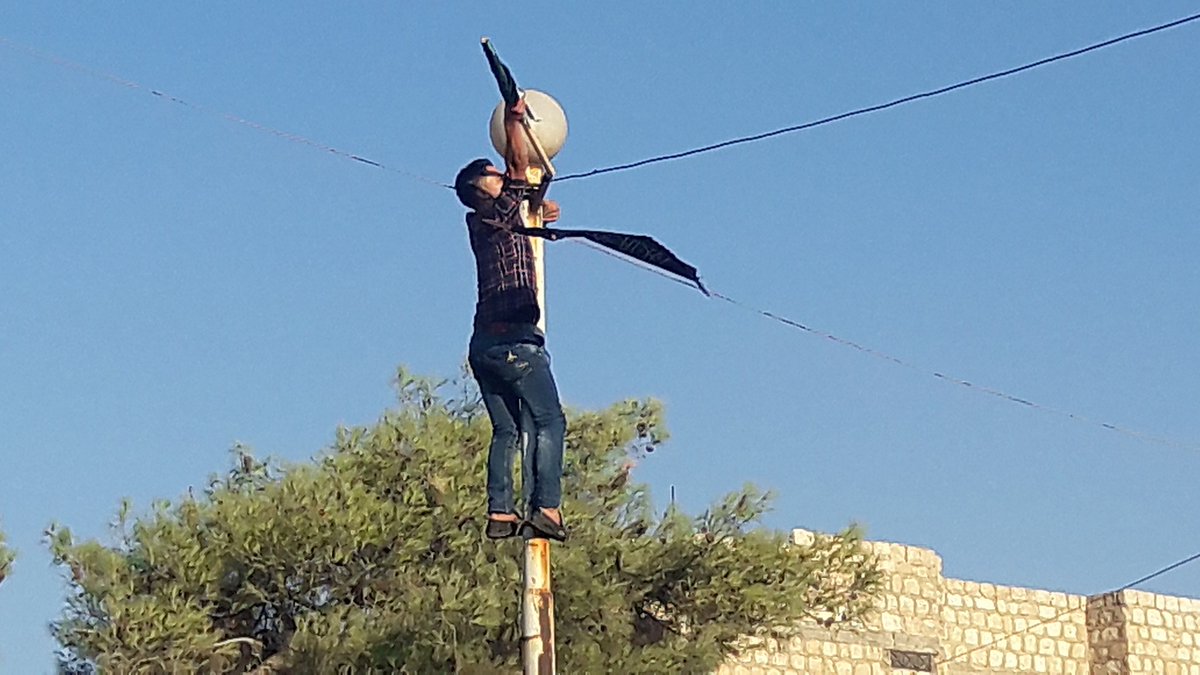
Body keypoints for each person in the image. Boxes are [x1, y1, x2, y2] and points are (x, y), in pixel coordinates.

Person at [455, 97, 567, 542]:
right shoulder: (496, 209)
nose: (499, 175)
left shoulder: (485, 221)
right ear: (483, 189)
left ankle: (500, 512)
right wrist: (514, 120)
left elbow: (523, 193)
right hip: (515, 340)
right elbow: (519, 166)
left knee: (507, 428)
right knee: (548, 421)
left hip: (484, 344)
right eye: (492, 174)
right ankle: (547, 508)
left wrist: (541, 207)